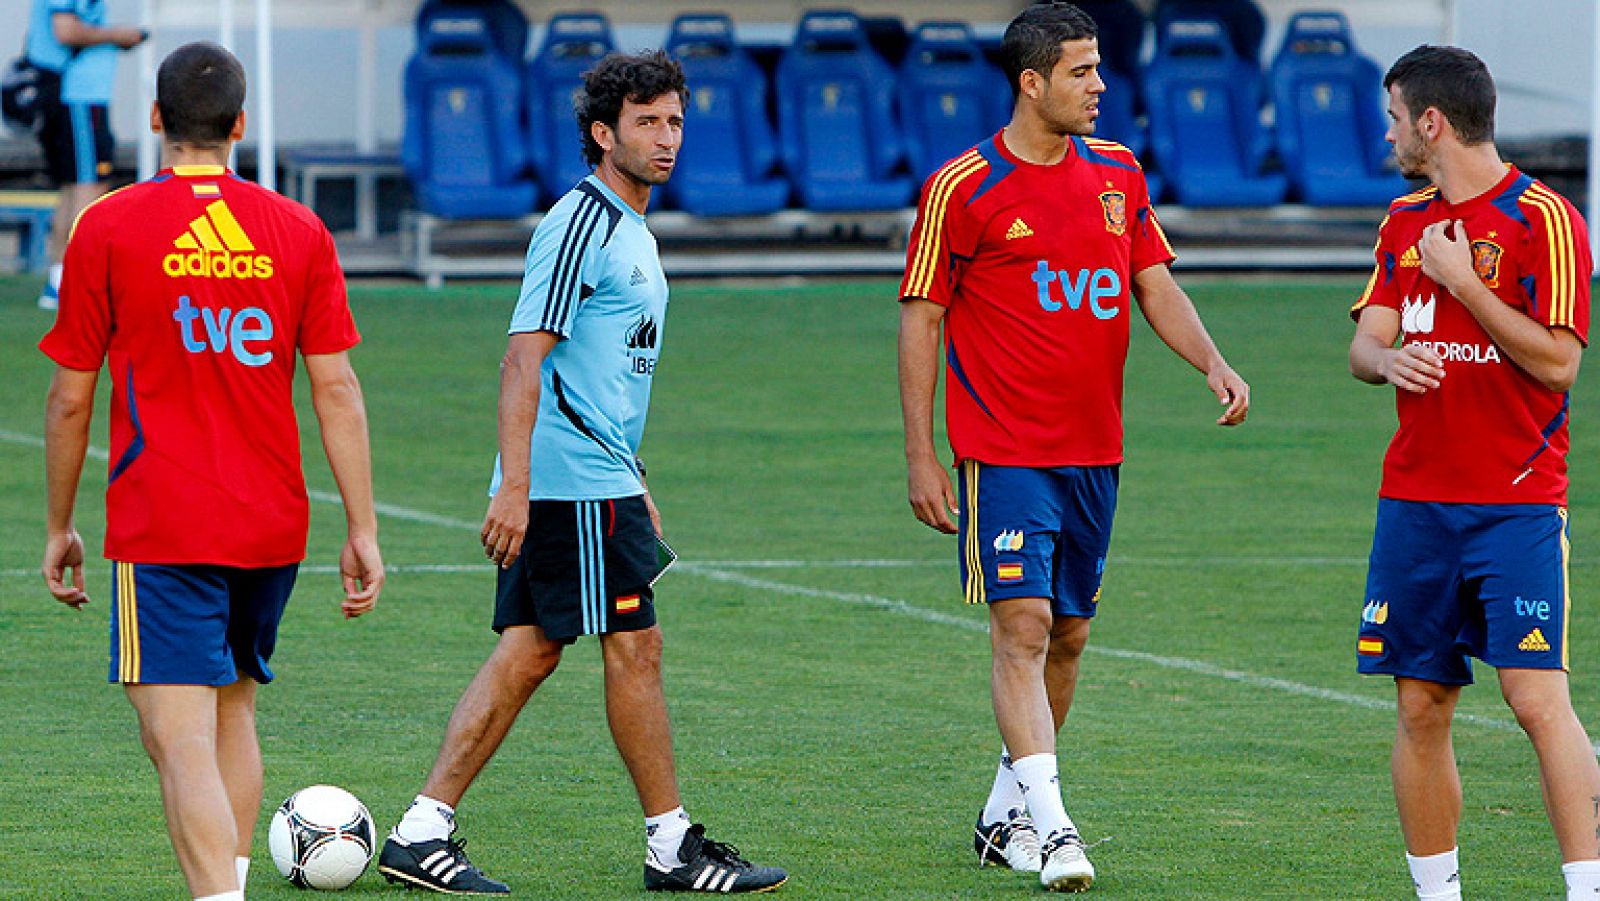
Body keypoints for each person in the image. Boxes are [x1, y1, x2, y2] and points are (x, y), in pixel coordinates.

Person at [375, 50, 786, 896]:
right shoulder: (584, 223)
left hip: (600, 476)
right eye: (646, 122)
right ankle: (668, 845)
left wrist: (635, 473)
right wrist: (517, 487)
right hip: (569, 483)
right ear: (603, 134)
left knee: (531, 651)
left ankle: (422, 827)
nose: (666, 137)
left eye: (674, 120)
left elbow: (603, 372)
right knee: (635, 647)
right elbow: (524, 360)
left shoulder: (632, 228)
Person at [897, 2, 1250, 892]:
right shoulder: (962, 186)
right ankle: (1054, 830)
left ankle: (1002, 812)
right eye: (1083, 72)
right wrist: (921, 454)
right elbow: (922, 319)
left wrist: (1211, 360)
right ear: (1032, 81)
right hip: (1004, 448)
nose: (1101, 86)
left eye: (1099, 70)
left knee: (1071, 636)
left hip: (1095, 451)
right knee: (1022, 628)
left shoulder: (1118, 173)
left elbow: (1152, 282)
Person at [38, 42, 384, 901]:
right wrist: (363, 527)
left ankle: (218, 898)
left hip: (164, 521)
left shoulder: (108, 226)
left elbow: (70, 400)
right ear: (239, 126)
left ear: (154, 120)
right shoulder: (298, 228)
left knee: (176, 733)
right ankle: (225, 883)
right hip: (271, 521)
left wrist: (58, 524)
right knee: (231, 709)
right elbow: (335, 386)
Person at [1347, 45, 1600, 901]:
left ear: (1432, 122)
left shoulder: (1546, 219)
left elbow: (1560, 363)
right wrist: (1387, 363)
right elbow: (1363, 343)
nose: (1386, 137)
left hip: (1516, 505)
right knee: (1420, 707)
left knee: (1538, 702)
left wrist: (1465, 282)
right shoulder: (1401, 221)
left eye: (1393, 119)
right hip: (1415, 504)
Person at [26, 0, 148, 310]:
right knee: (87, 187)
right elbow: (65, 31)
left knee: (76, 187)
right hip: (78, 94)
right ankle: (75, 281)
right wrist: (117, 35)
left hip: (77, 95)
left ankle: (60, 280)